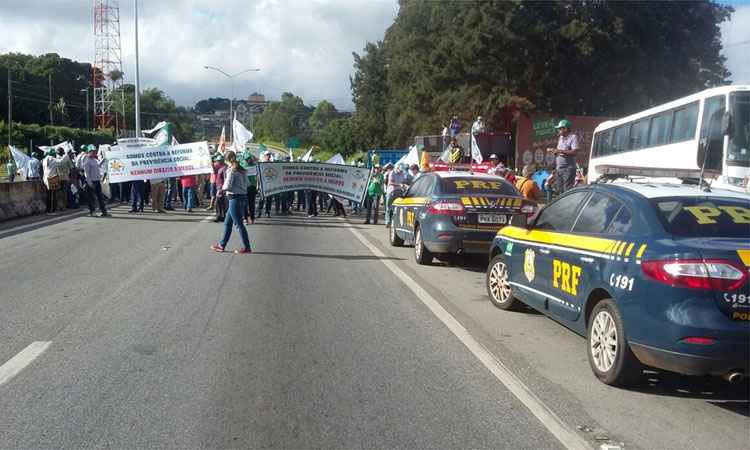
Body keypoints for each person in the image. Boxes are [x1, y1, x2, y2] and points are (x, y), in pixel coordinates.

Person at [211, 151, 252, 254]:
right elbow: (248, 183)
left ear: (226, 160)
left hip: (234, 198)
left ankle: (247, 247)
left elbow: (227, 185)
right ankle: (222, 245)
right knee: (228, 223)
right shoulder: (242, 170)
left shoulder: (231, 170)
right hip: (242, 197)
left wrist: (221, 189)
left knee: (239, 225)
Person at [547, 119, 579, 194]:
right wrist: (555, 152)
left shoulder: (573, 137)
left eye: (560, 129)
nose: (558, 130)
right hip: (559, 169)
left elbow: (575, 152)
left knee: (567, 191)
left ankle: (567, 205)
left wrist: (559, 151)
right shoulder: (560, 138)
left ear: (565, 129)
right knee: (559, 190)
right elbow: (560, 153)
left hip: (568, 169)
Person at [83, 146, 109, 217]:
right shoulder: (87, 161)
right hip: (91, 182)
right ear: (89, 152)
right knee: (91, 198)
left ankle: (104, 212)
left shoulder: (94, 160)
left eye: (95, 151)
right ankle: (92, 212)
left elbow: (98, 166)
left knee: (100, 197)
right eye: (93, 151)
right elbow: (86, 173)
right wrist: (90, 183)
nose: (94, 152)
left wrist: (103, 159)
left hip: (97, 181)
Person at [42, 149, 60, 213]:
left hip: (46, 179)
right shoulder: (55, 160)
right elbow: (57, 169)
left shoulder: (44, 160)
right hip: (53, 178)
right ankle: (53, 209)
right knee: (54, 195)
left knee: (48, 195)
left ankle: (47, 209)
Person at [242, 152, 258, 225]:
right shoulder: (242, 166)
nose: (249, 160)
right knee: (245, 203)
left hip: (252, 187)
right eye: (247, 159)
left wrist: (258, 185)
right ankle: (245, 218)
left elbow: (258, 176)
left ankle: (252, 218)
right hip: (244, 187)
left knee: (252, 203)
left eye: (249, 158)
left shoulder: (256, 166)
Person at [213, 154, 227, 222]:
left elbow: (225, 179)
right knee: (220, 203)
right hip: (219, 188)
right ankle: (221, 216)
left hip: (222, 188)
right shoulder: (220, 168)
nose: (217, 162)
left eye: (218, 161)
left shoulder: (224, 168)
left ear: (221, 161)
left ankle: (220, 216)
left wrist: (223, 188)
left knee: (218, 202)